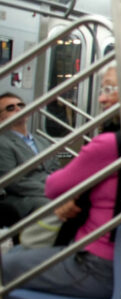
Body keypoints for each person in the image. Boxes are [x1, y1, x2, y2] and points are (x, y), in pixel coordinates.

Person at [0, 65, 121, 299]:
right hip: (115, 259)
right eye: (102, 88)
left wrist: (74, 192)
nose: (101, 97)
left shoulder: (106, 144)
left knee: (8, 267)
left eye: (110, 90)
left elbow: (56, 182)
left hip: (95, 266)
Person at [0, 92, 58, 226]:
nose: (18, 109)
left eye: (21, 105)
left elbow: (55, 168)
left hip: (51, 189)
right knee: (55, 206)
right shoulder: (2, 142)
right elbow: (13, 181)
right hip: (24, 197)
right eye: (10, 108)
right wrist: (51, 190)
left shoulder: (42, 141)